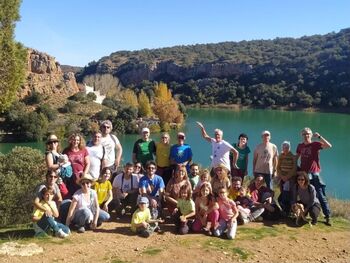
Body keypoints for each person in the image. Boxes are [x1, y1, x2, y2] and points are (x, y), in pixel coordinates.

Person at [296, 127, 332, 226]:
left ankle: (328, 216)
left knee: (320, 195)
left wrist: (319, 137)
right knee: (304, 194)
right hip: (303, 175)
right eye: (304, 134)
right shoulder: (300, 146)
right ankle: (303, 213)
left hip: (314, 173)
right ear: (302, 135)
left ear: (311, 135)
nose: (306, 135)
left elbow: (329, 145)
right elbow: (296, 158)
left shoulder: (315, 144)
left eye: (308, 134)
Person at [44, 134, 69, 199]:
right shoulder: (49, 154)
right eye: (50, 142)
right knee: (58, 197)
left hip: (62, 178)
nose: (53, 143)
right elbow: (50, 166)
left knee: (64, 196)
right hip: (54, 179)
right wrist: (62, 163)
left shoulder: (59, 153)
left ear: (57, 143)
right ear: (48, 144)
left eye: (55, 141)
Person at [277, 141, 297, 215]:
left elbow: (294, 168)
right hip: (283, 178)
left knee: (290, 194)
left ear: (289, 148)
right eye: (284, 147)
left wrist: (287, 177)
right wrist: (282, 176)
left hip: (290, 178)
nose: (285, 148)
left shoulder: (293, 156)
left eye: (287, 147)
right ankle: (284, 209)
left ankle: (290, 210)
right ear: (282, 148)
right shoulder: (281, 156)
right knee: (283, 192)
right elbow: (278, 167)